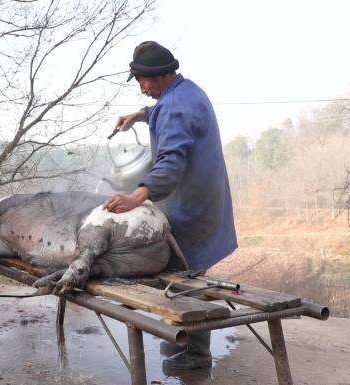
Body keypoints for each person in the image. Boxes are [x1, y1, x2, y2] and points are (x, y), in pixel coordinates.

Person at [103, 41, 238, 372]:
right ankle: (183, 342)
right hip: (206, 199)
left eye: (143, 82)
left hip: (189, 207)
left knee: (184, 277)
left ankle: (194, 356)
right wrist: (141, 114)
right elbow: (168, 110)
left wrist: (136, 196)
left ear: (160, 76)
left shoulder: (174, 108)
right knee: (188, 274)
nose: (142, 89)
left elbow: (169, 164)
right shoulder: (186, 92)